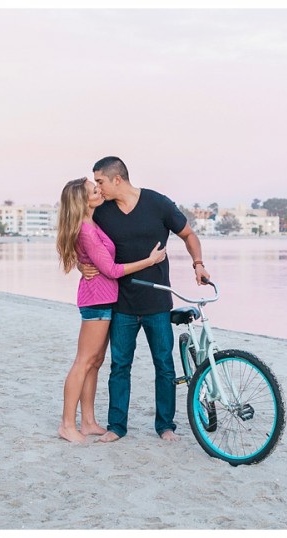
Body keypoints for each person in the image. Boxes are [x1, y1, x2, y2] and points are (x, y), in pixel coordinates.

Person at [83, 156, 210, 443]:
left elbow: (189, 235)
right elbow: (82, 238)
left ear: (117, 179)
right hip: (121, 303)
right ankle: (117, 426)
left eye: (100, 181)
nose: (98, 188)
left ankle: (165, 426)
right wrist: (81, 264)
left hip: (157, 303)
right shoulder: (102, 212)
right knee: (120, 366)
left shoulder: (157, 203)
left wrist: (198, 263)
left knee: (164, 365)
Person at [56, 177, 167, 443]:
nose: (98, 190)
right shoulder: (86, 229)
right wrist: (150, 261)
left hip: (106, 300)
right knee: (83, 362)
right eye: (93, 190)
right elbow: (112, 270)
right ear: (83, 200)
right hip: (96, 300)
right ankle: (67, 424)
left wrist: (82, 264)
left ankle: (89, 421)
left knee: (95, 363)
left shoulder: (93, 222)